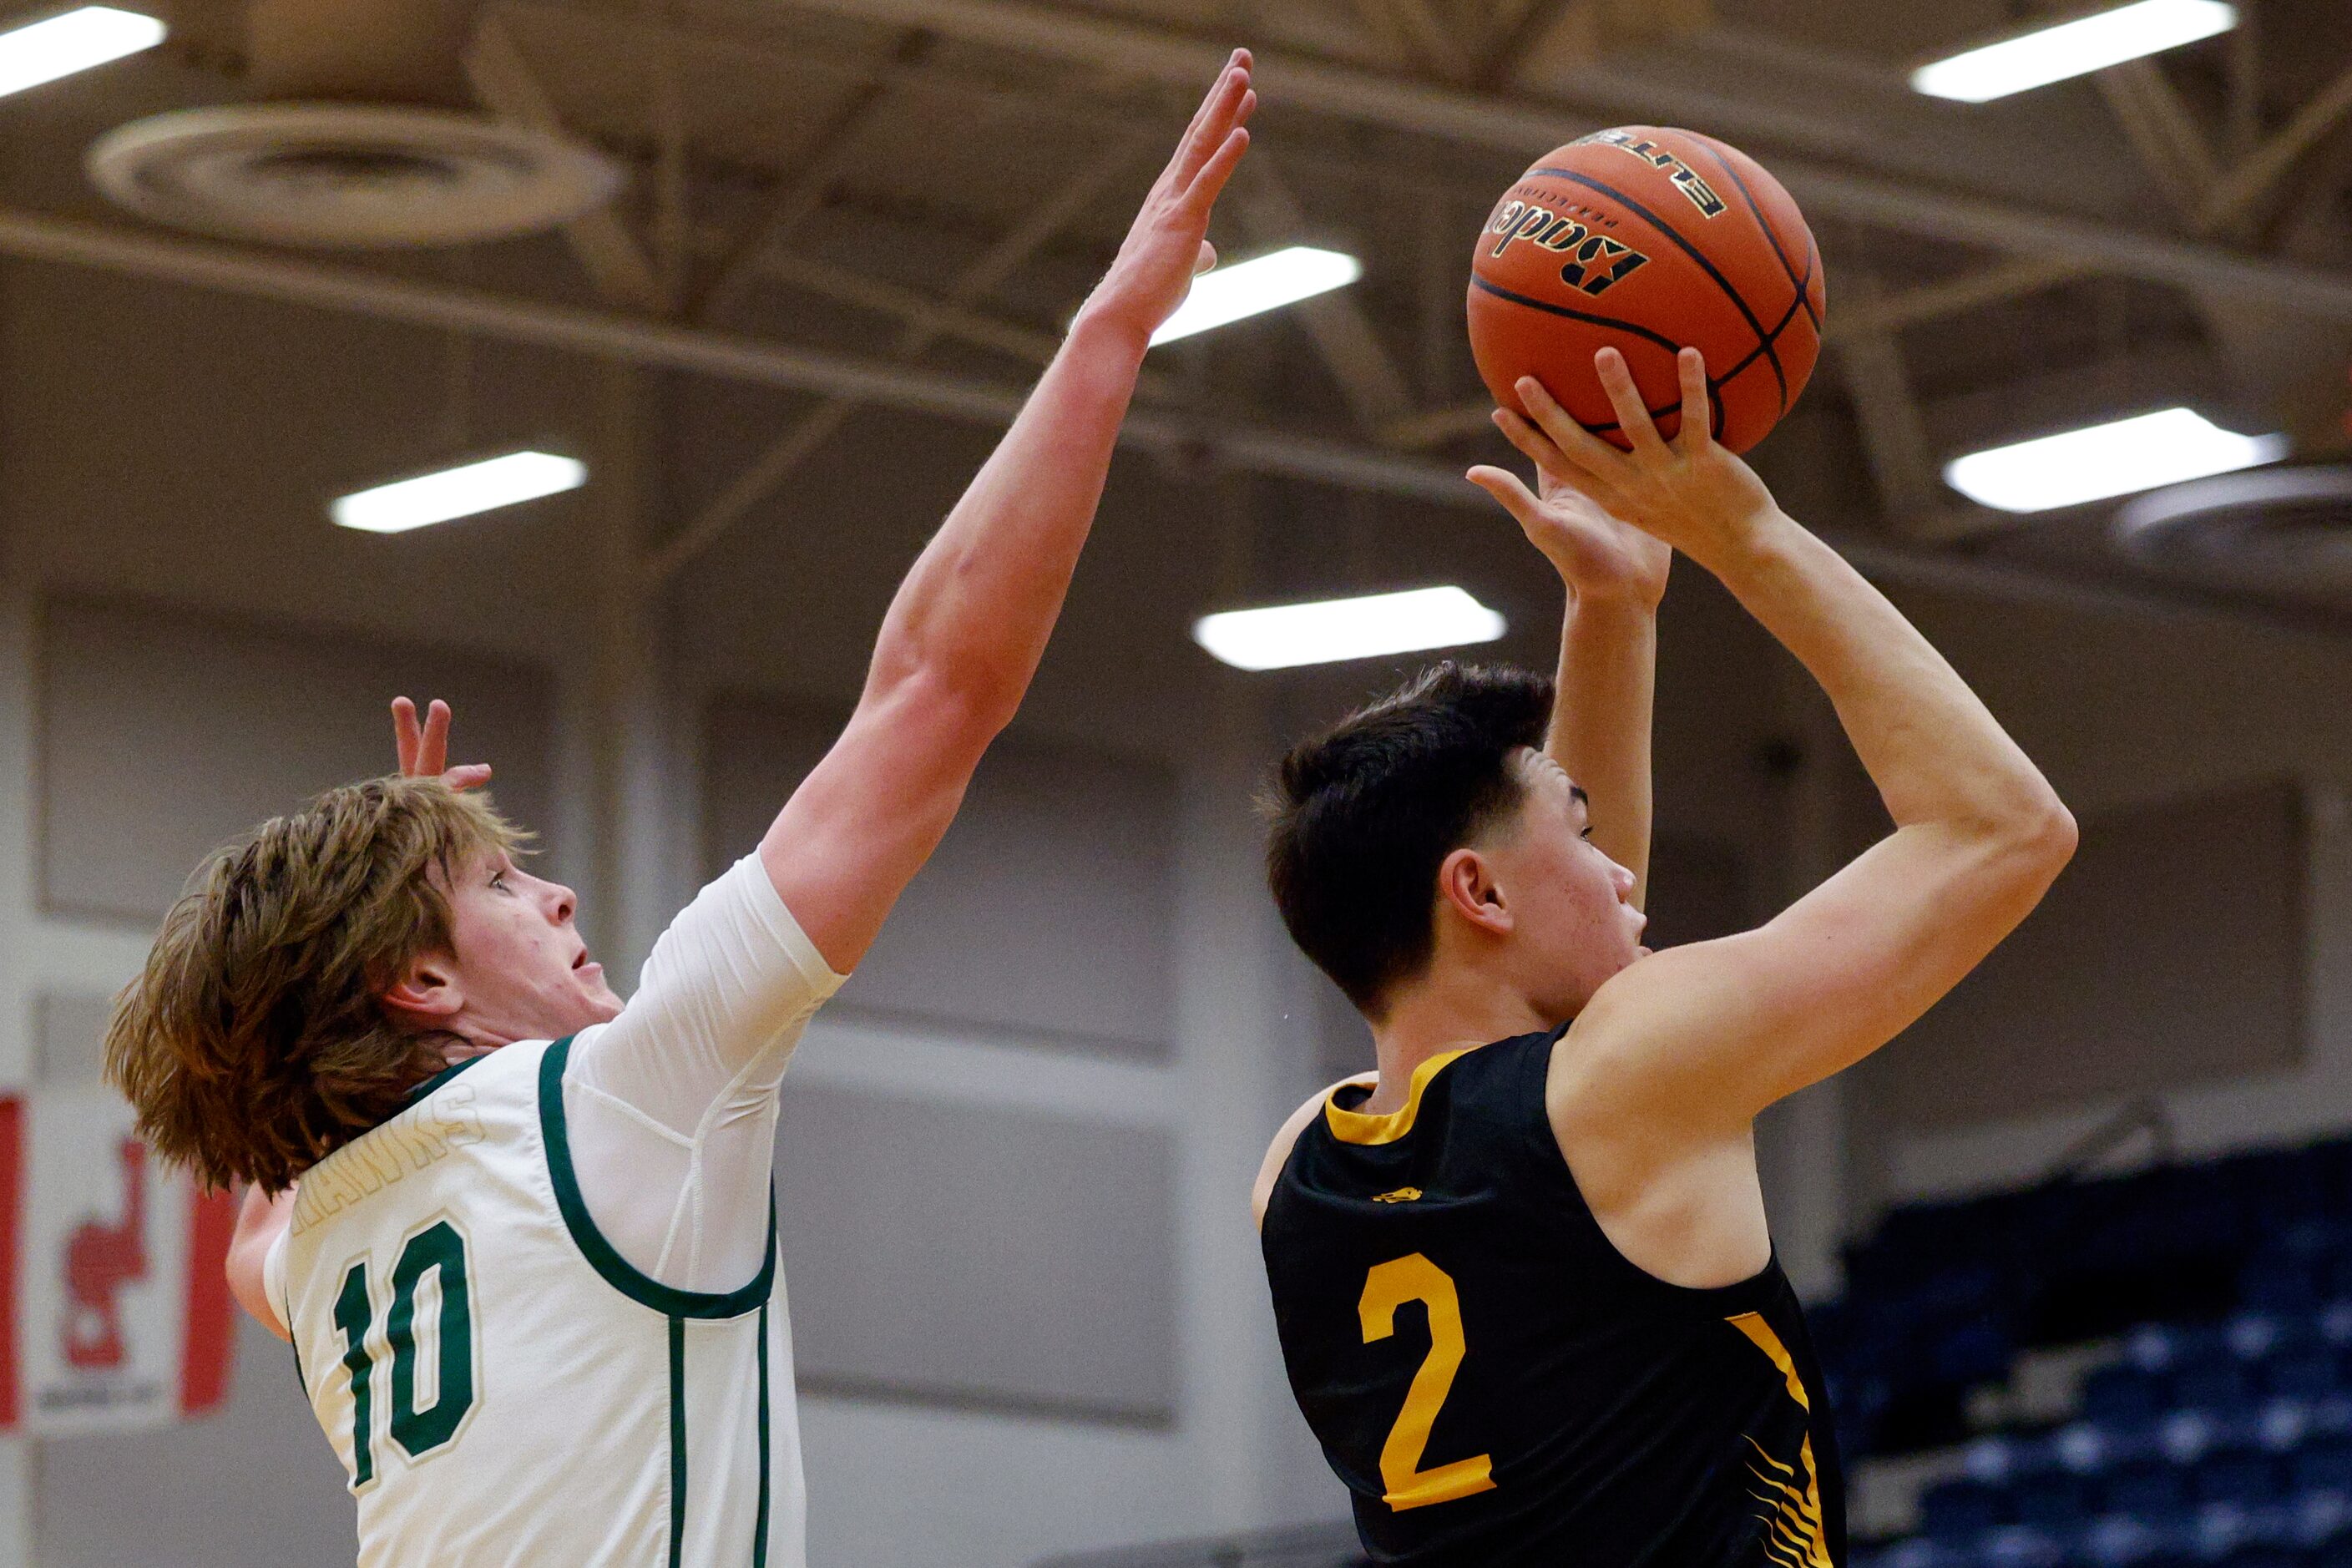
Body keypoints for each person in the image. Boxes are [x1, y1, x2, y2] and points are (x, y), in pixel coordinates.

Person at [103, 50, 1256, 1568]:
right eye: (508, 889)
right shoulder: (625, 1102)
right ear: (422, 981)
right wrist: (1110, 329)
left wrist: (397, 884)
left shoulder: (321, 1246)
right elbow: (933, 688)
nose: (563, 898)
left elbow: (252, 1174)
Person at [1252, 346, 2076, 1566]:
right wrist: (1744, 529)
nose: (1622, 875)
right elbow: (2001, 827)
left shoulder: (1300, 1166)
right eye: (1579, 842)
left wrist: (1615, 610)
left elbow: (1556, 1037)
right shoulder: (1618, 1081)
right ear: (1473, 889)